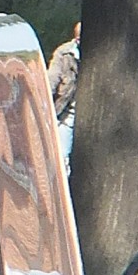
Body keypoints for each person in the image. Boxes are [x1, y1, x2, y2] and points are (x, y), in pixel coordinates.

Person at [47, 21, 80, 176]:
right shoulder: (65, 53)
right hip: (66, 113)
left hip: (78, 112)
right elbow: (51, 80)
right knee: (62, 158)